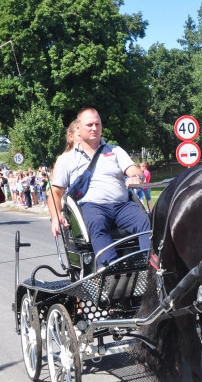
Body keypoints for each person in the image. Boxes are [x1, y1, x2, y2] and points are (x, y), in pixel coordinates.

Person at [48, 108, 149, 267]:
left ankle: (150, 267)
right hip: (93, 206)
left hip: (122, 205)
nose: (94, 128)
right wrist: (55, 216)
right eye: (89, 125)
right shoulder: (67, 159)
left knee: (145, 221)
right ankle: (110, 269)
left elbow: (133, 170)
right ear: (79, 129)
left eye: (97, 124)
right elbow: (55, 192)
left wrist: (135, 176)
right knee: (97, 223)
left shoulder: (115, 150)